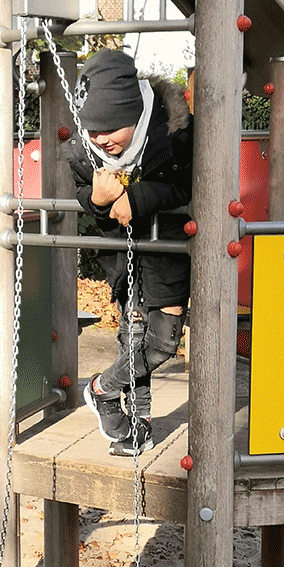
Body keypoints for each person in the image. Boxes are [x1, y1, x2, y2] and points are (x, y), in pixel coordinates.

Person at [67, 48, 194, 456]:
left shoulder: (172, 131)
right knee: (132, 337)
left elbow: (191, 185)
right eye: (93, 131)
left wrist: (135, 198)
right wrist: (98, 199)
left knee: (162, 342)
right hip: (124, 256)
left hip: (168, 248)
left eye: (112, 129)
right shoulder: (84, 152)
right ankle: (135, 430)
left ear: (136, 113)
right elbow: (82, 196)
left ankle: (102, 389)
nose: (102, 140)